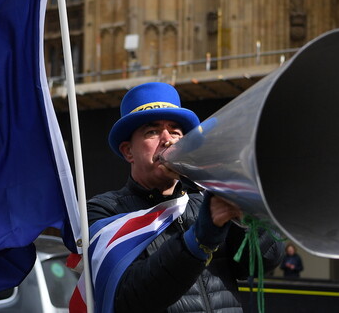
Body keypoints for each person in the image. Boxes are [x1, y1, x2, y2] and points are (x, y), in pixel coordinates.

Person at [87, 82, 285, 312]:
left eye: (175, 131)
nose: (167, 139)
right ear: (128, 151)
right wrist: (200, 238)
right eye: (152, 131)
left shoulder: (204, 199)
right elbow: (130, 297)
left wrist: (242, 204)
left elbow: (262, 261)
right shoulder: (105, 212)